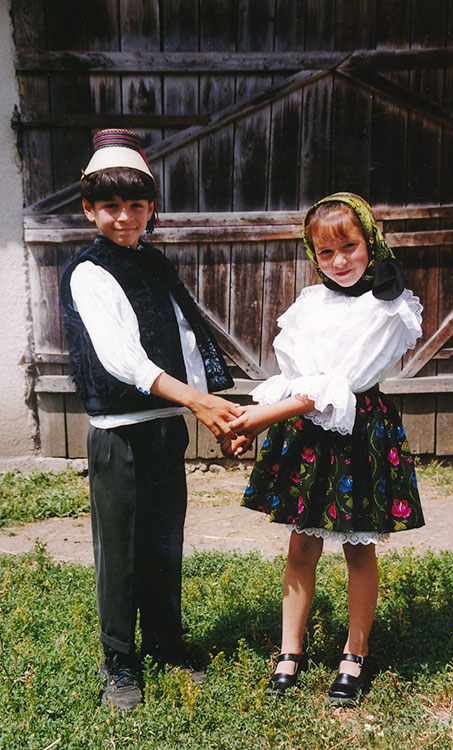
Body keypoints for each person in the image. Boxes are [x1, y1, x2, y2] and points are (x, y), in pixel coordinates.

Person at [60, 129, 243, 711]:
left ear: (152, 208)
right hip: (121, 434)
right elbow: (122, 357)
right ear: (88, 209)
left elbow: (185, 339)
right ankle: (119, 662)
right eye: (110, 206)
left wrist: (212, 405)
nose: (124, 217)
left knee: (165, 542)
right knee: (121, 549)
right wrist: (198, 401)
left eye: (136, 205)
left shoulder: (155, 264)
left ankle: (167, 646)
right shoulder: (88, 271)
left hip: (164, 424)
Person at [225, 192, 424, 705]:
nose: (339, 262)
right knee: (301, 545)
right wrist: (260, 417)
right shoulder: (311, 303)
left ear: (370, 243)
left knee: (359, 547)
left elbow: (338, 385)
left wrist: (258, 416)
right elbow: (295, 377)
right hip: (306, 433)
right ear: (314, 256)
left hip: (358, 430)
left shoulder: (389, 306)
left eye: (350, 247)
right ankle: (290, 649)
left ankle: (354, 654)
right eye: (326, 253)